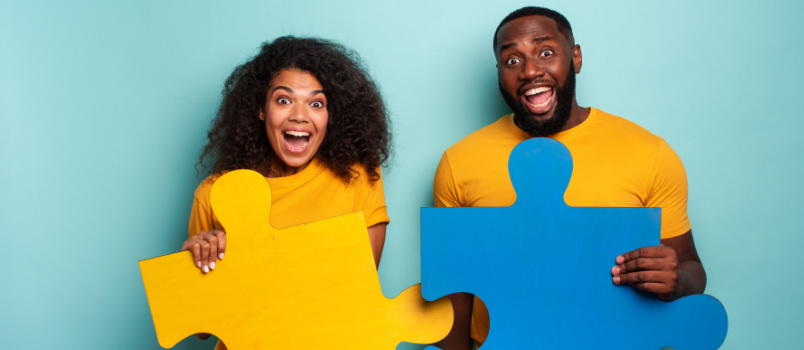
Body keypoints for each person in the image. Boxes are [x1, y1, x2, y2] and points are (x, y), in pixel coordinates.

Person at [433, 7, 707, 349]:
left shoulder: (649, 154)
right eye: (512, 60)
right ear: (499, 73)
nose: (530, 70)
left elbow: (692, 272)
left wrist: (677, 280)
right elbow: (451, 301)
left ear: (575, 57)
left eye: (545, 52)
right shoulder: (459, 162)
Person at [181, 36, 391, 350]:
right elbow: (201, 330)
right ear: (261, 110)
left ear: (331, 116)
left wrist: (250, 264)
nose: (299, 115)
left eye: (316, 103)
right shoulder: (214, 193)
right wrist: (203, 263)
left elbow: (354, 295)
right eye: (283, 100)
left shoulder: (358, 179)